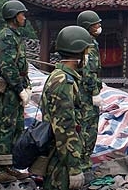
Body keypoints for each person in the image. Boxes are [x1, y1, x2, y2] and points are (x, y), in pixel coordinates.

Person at [41, 26, 92, 190]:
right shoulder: (63, 82)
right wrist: (74, 168)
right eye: (86, 52)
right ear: (77, 52)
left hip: (60, 156)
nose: (87, 56)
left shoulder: (61, 77)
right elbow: (65, 127)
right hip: (60, 161)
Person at [0, 0, 31, 183]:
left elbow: (21, 65)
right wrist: (19, 88)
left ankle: (10, 165)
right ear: (14, 16)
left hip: (15, 88)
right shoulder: (6, 36)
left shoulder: (15, 36)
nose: (24, 17)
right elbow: (8, 67)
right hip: (8, 90)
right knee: (5, 128)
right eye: (22, 14)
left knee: (16, 128)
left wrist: (26, 85)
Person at [76, 10, 103, 171]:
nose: (99, 26)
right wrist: (94, 92)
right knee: (88, 129)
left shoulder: (85, 42)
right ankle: (83, 163)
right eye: (95, 24)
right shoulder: (89, 45)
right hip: (86, 95)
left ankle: (83, 161)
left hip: (84, 93)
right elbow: (88, 71)